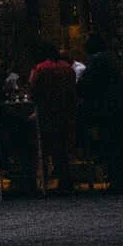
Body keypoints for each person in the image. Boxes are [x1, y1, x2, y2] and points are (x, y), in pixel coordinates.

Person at [78, 34, 123, 193]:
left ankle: (116, 180)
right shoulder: (112, 59)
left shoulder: (97, 61)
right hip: (117, 107)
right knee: (118, 144)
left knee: (110, 143)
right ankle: (120, 179)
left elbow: (84, 84)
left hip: (106, 109)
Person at [29, 43, 80, 194]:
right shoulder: (68, 68)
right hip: (67, 112)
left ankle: (42, 181)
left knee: (46, 145)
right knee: (63, 145)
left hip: (47, 112)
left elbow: (34, 90)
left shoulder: (40, 69)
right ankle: (65, 179)